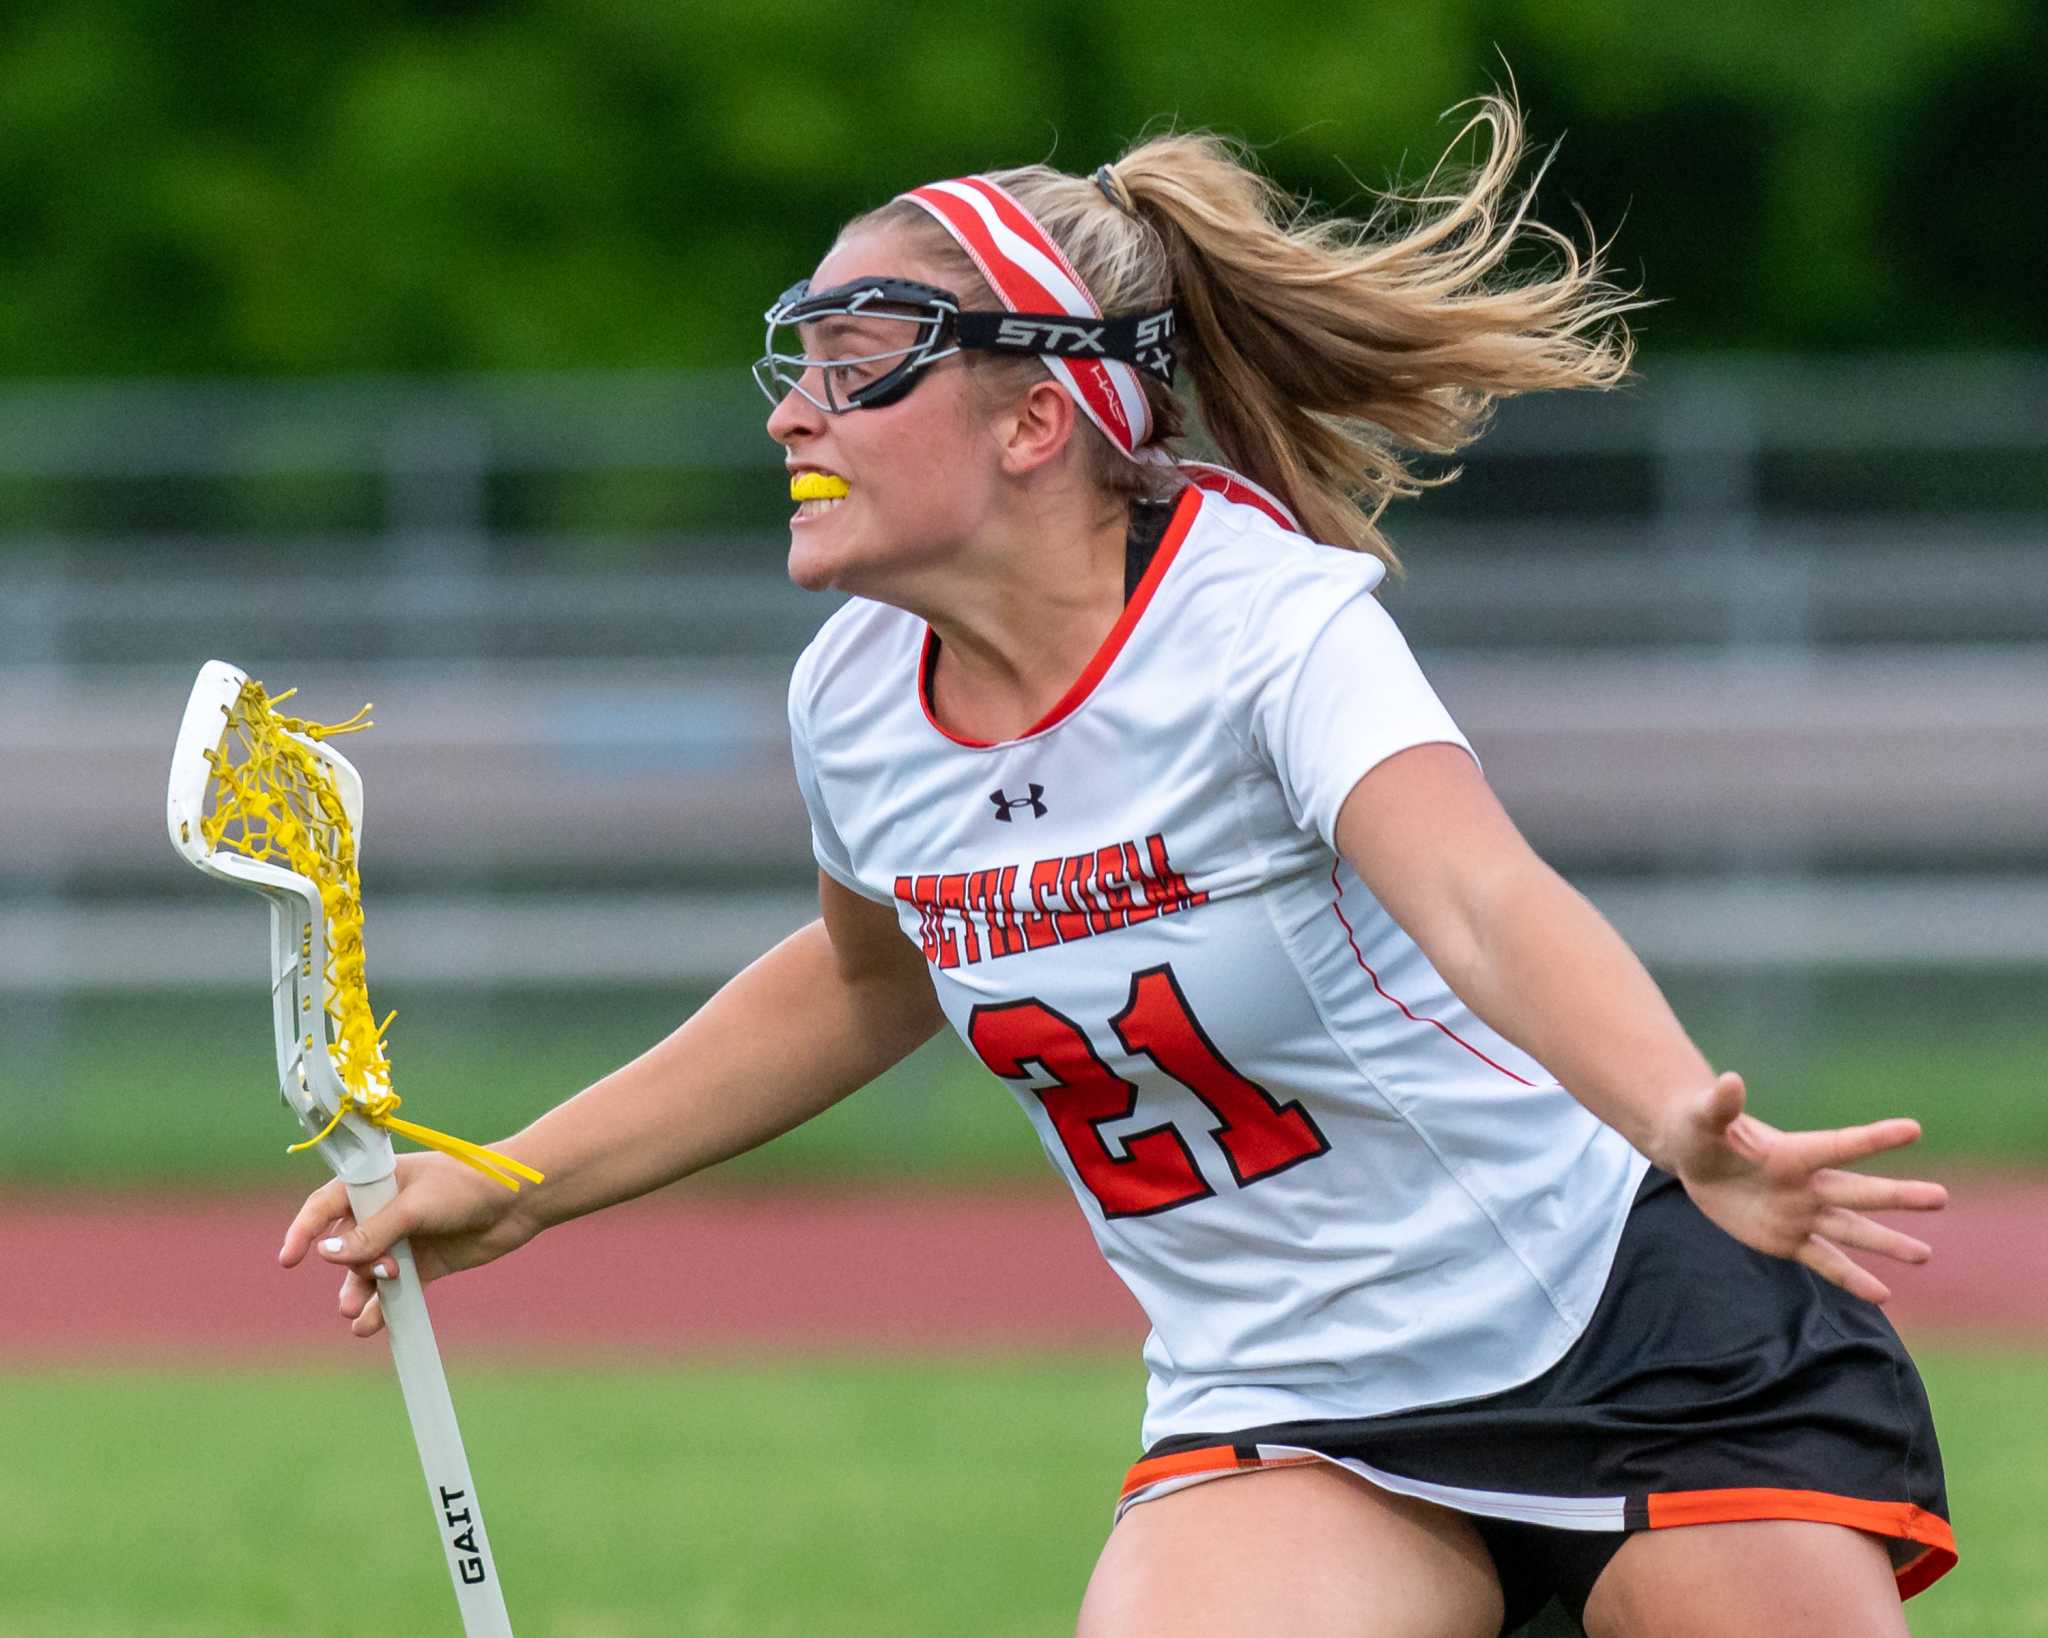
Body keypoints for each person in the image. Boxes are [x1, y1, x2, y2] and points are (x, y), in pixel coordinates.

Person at [279, 97, 1954, 1637]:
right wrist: (515, 1182)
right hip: (1286, 1404)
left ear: (1035, 417)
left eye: (863, 359)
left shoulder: (1262, 626)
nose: (795, 406)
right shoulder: (858, 693)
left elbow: (1481, 897)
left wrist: (1675, 1110)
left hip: (1630, 1329)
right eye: (796, 358)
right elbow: (871, 978)